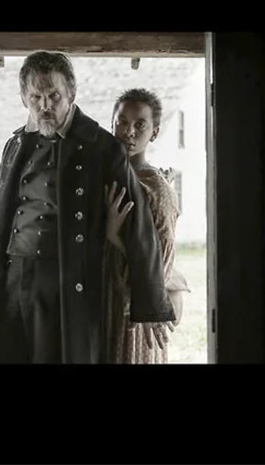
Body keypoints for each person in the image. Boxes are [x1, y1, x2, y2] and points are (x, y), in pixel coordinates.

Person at [0, 52, 175, 364]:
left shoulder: (101, 147)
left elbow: (140, 223)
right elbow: (0, 214)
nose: (45, 106)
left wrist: (151, 303)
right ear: (24, 99)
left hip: (65, 279)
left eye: (54, 96)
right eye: (35, 97)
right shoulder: (16, 144)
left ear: (72, 94)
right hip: (14, 275)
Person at [104, 88, 190, 364]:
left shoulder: (157, 189)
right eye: (122, 121)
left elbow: (161, 267)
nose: (129, 132)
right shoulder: (104, 178)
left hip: (135, 308)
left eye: (140, 125)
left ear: (154, 133)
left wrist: (115, 236)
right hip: (101, 302)